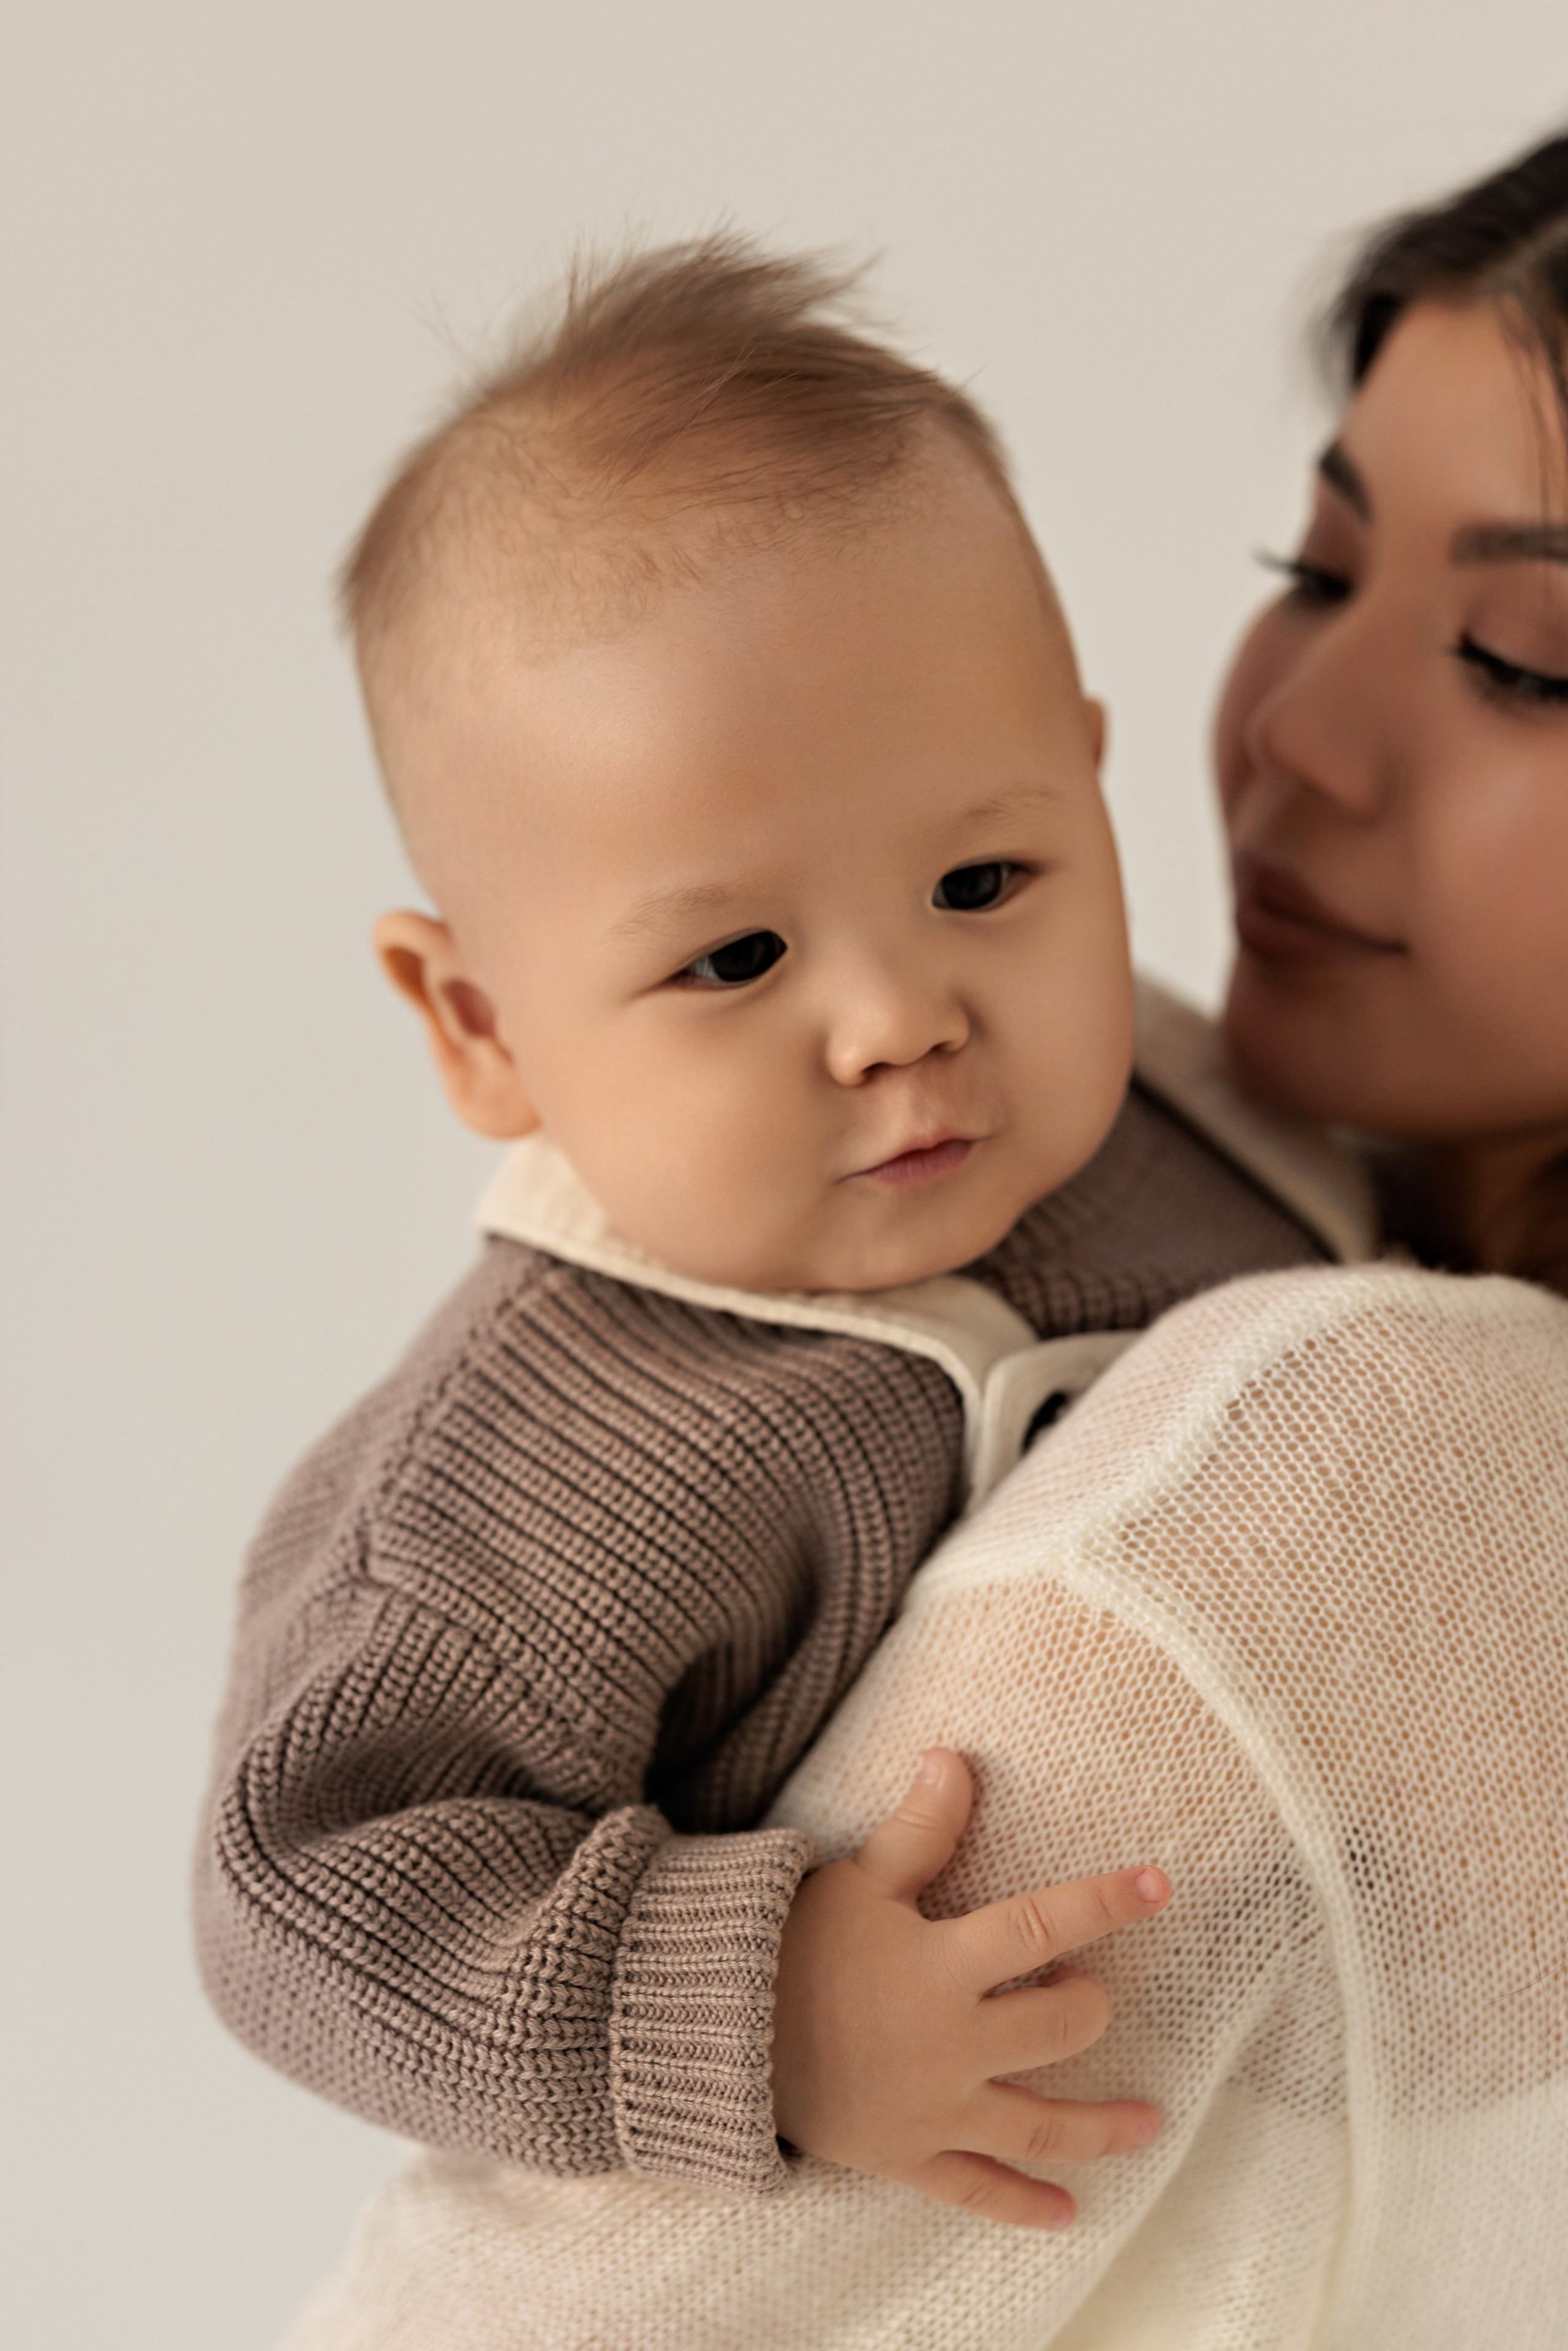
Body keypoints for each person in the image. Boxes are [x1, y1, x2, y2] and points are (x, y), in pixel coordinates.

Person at [280, 132, 1568, 2351]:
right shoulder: (569, 1445)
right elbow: (322, 1878)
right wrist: (756, 2007)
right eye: (1314, 564)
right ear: (478, 1023)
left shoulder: (1197, 1139)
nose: (899, 1021)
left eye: (1527, 659)